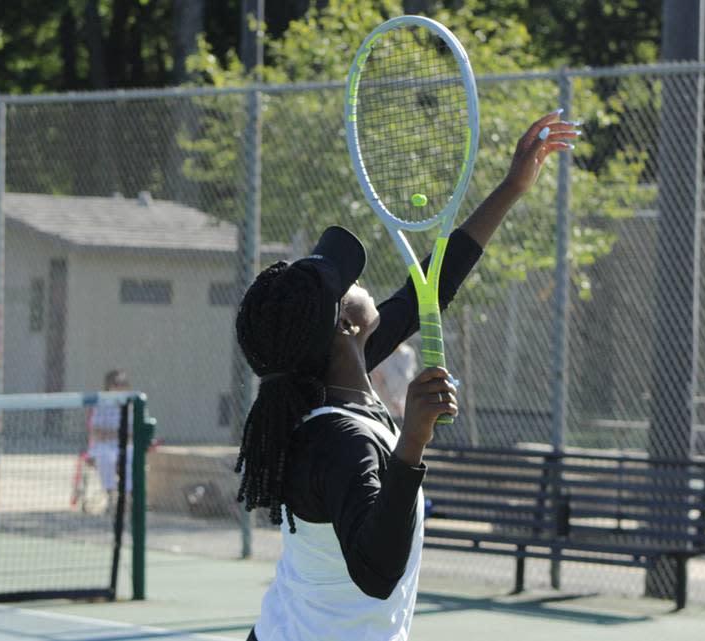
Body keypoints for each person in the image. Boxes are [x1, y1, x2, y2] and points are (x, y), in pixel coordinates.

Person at [234, 112, 578, 641]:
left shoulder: (329, 388)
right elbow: (375, 571)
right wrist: (412, 442)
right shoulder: (341, 438)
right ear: (346, 325)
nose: (359, 281)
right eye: (345, 283)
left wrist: (512, 187)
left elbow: (427, 292)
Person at [88, 369, 133, 512]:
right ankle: (111, 497)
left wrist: (113, 434)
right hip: (104, 445)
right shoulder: (102, 403)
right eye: (117, 384)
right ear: (109, 386)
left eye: (124, 384)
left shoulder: (132, 404)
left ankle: (125, 499)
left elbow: (133, 434)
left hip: (126, 446)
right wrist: (119, 434)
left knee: (130, 456)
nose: (120, 387)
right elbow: (96, 432)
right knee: (105, 457)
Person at [369, 339, 418, 420]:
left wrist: (406, 403)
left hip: (403, 409)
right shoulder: (381, 353)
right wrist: (392, 402)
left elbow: (410, 379)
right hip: (383, 409)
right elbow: (378, 381)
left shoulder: (408, 353)